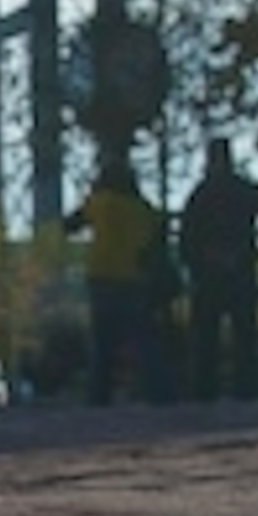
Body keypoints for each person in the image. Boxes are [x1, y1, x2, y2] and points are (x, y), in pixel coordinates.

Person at [180, 137, 258, 401]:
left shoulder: (200, 194)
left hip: (209, 275)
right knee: (244, 338)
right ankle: (245, 390)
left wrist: (197, 264)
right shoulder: (239, 189)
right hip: (238, 271)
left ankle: (204, 393)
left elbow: (186, 239)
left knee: (206, 340)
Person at [64, 161, 172, 406]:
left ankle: (99, 397)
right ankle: (159, 393)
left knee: (102, 342)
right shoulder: (144, 210)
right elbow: (158, 240)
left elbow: (70, 224)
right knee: (144, 341)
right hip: (134, 279)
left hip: (101, 276)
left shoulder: (101, 203)